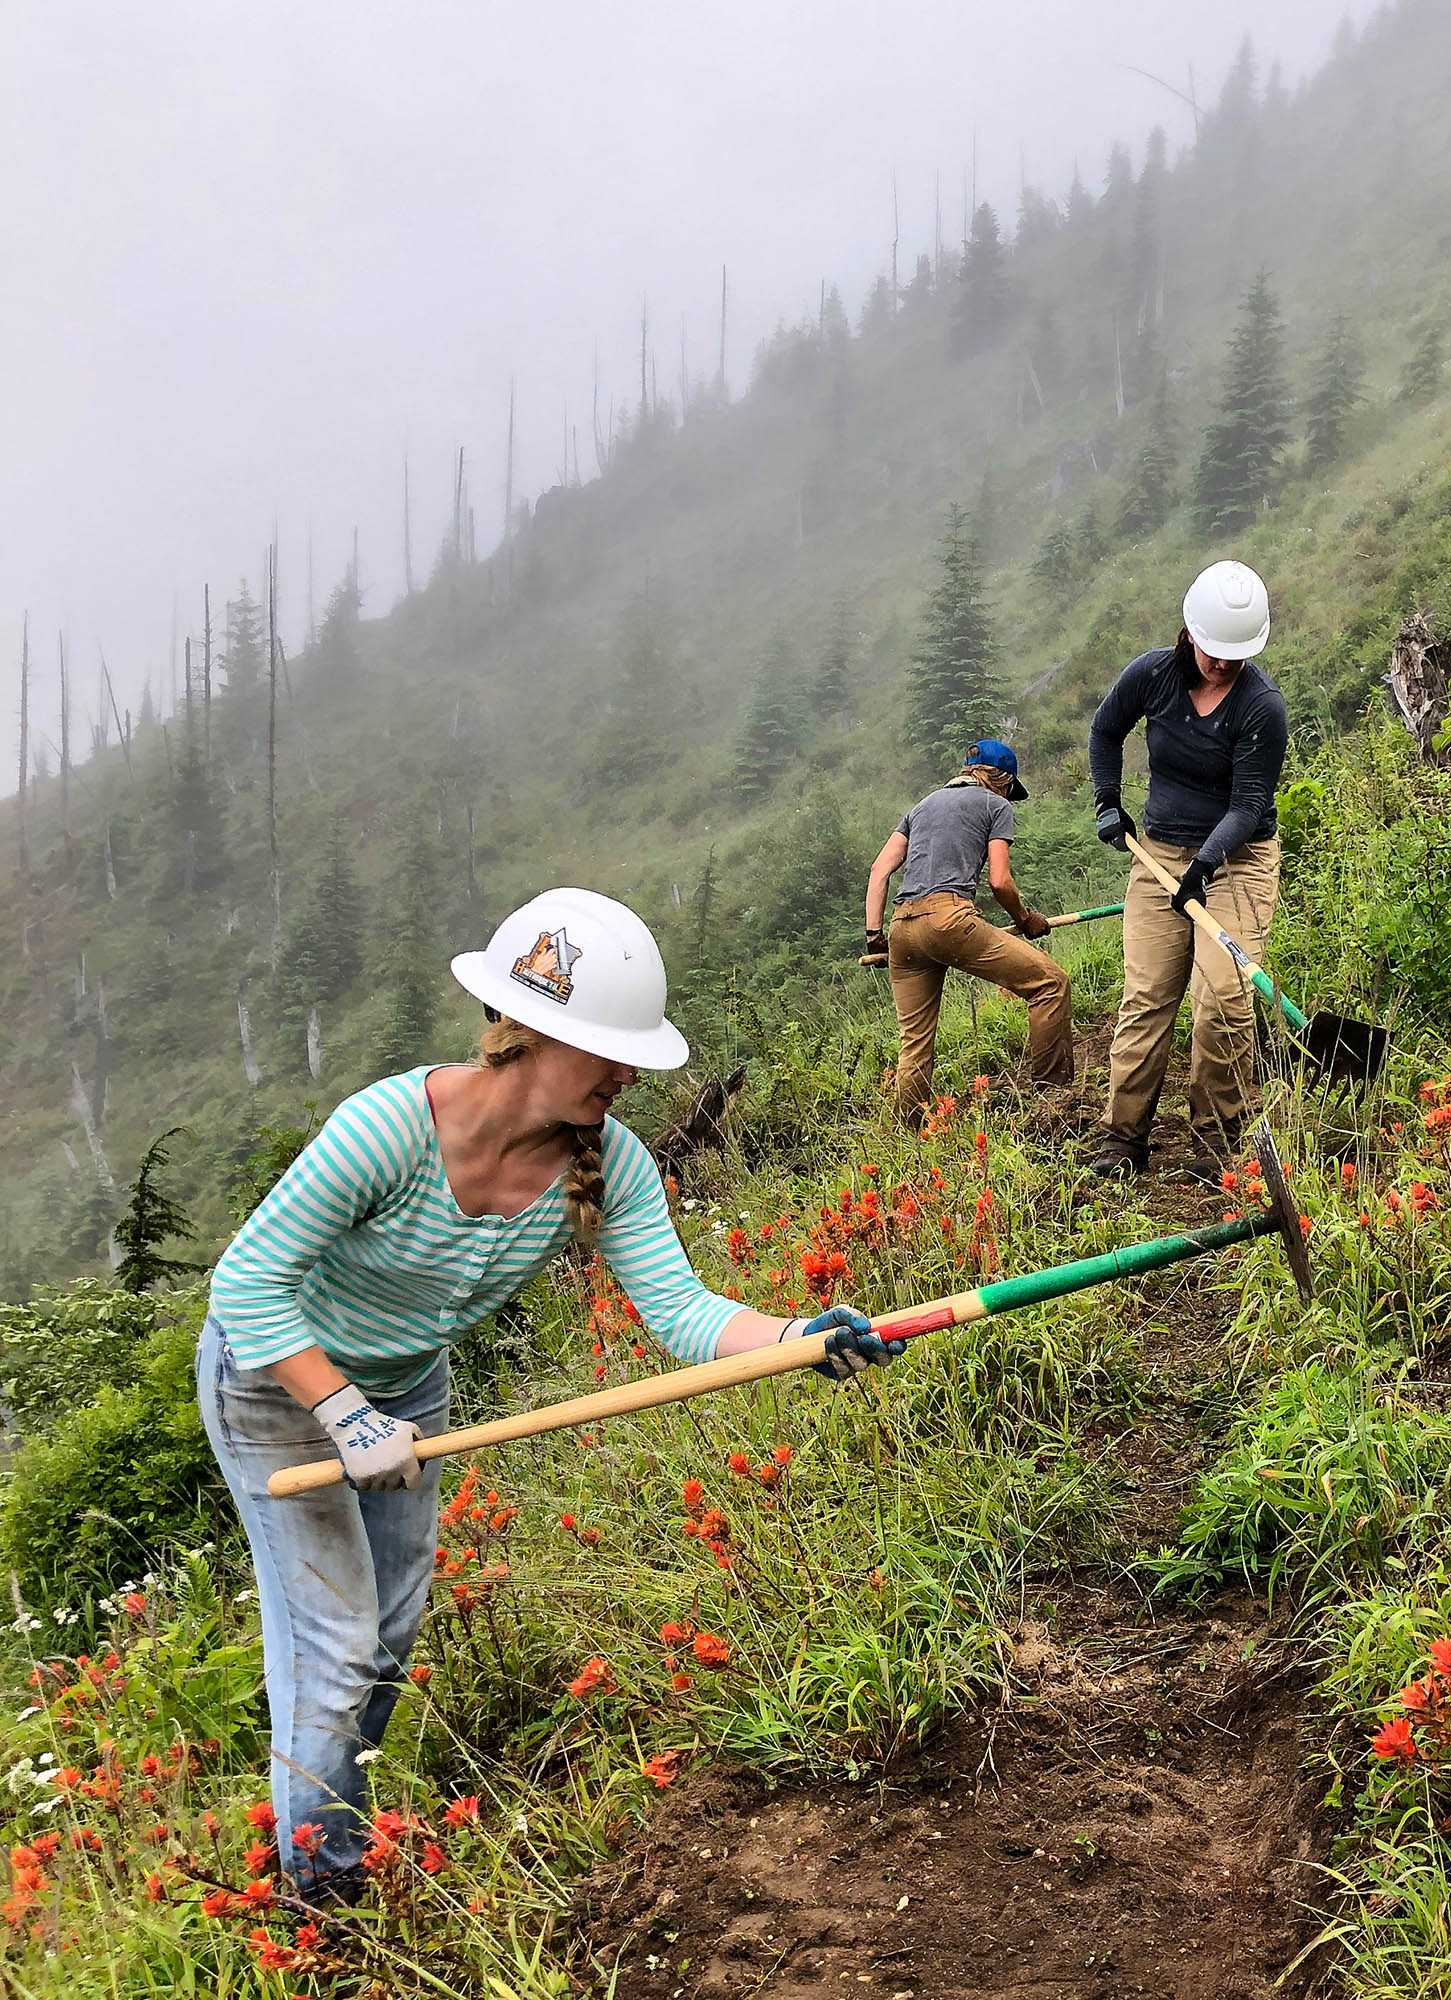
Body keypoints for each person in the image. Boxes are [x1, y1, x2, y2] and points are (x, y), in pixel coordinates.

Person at [199, 887, 902, 1904]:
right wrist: (341, 1411)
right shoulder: (389, 1129)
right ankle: (324, 1893)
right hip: (276, 1386)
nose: (627, 1073)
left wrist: (797, 1336)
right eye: (606, 1049)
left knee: (386, 1638)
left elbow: (684, 1311)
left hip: (404, 1389)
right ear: (524, 1032)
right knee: (335, 1646)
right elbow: (246, 1284)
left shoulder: (610, 1165)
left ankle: (326, 1808)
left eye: (633, 1053)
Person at [1088, 561, 1289, 1177]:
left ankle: (1216, 1140)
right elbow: (1105, 730)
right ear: (1190, 631)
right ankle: (1123, 1138)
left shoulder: (1261, 707)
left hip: (1237, 860)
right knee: (1148, 997)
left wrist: (1204, 864)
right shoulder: (1152, 675)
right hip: (1158, 854)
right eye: (1213, 649)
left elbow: (1248, 806)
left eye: (1236, 653)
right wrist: (1107, 801)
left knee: (1223, 997)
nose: (1222, 662)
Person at [864, 739, 1075, 1124]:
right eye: (1010, 789)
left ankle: (906, 1138)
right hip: (949, 918)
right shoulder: (996, 805)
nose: (1009, 796)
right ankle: (1055, 1105)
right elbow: (999, 882)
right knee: (1050, 984)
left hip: (901, 929)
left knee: (914, 1046)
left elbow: (879, 871)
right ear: (1003, 779)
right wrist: (1025, 919)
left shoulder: (920, 807)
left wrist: (874, 936)